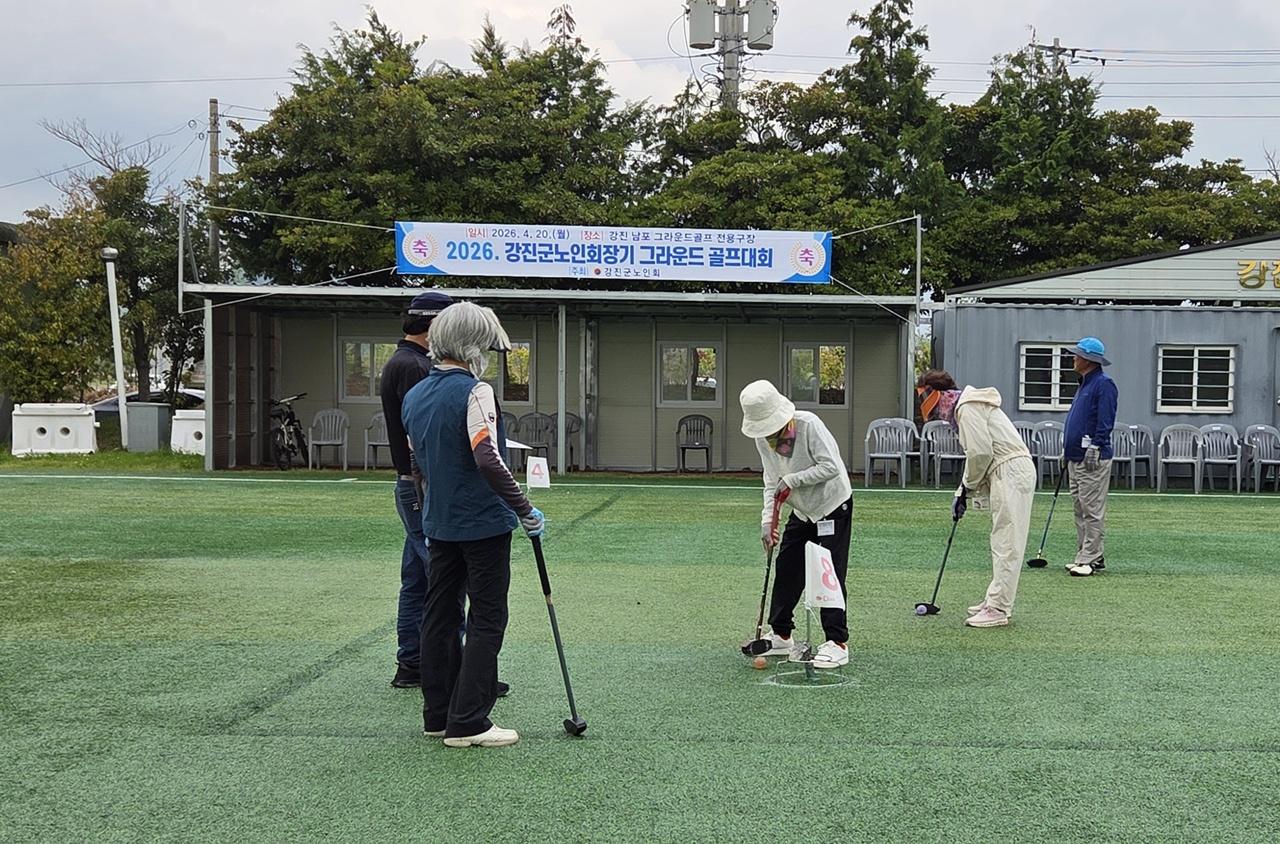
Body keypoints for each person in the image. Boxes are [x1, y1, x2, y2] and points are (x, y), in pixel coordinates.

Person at [403, 302, 545, 748]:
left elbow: (417, 465)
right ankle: (469, 722)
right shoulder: (475, 390)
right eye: (484, 344)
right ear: (470, 346)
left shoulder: (416, 394)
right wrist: (524, 507)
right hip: (482, 524)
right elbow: (488, 456)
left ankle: (439, 714)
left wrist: (431, 512)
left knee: (440, 615)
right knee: (488, 617)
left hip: (439, 522)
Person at [739, 379, 853, 668]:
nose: (770, 437)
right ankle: (781, 634)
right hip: (801, 511)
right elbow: (770, 481)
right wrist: (767, 520)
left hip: (832, 505)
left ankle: (837, 641)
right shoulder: (763, 439)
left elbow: (831, 467)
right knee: (787, 567)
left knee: (829, 573)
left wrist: (792, 480)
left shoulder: (809, 425)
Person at [918, 370, 1036, 628]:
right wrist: (964, 491)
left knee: (1007, 541)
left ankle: (998, 608)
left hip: (1011, 471)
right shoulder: (966, 407)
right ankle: (995, 598)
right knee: (1001, 538)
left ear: (937, 394)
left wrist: (965, 488)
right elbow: (980, 455)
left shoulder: (967, 409)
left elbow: (980, 453)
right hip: (1006, 471)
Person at [381, 290, 452, 689]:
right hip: (422, 482)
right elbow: (423, 430)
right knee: (443, 574)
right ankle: (452, 665)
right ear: (434, 326)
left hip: (411, 481)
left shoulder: (405, 361)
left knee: (417, 578)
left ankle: (413, 662)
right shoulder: (414, 367)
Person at [1062, 337, 1118, 578]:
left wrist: (1097, 444)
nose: (1073, 358)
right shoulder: (1084, 383)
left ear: (1089, 359)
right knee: (1080, 507)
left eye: (1077, 354)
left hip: (1092, 457)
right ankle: (1087, 553)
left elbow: (1106, 419)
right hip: (1076, 456)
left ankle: (1090, 557)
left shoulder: (1104, 384)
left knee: (1091, 508)